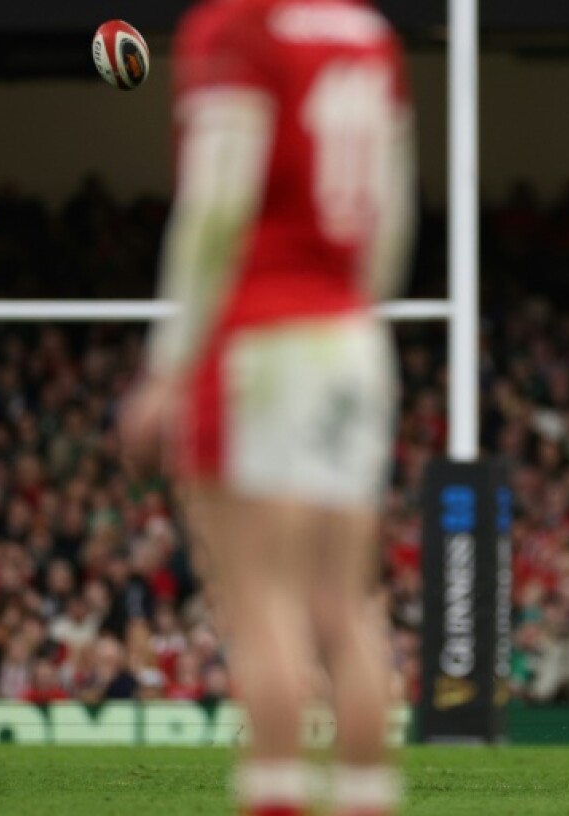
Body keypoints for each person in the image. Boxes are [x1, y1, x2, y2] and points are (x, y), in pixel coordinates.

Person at [119, 1, 416, 814]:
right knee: (346, 607)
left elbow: (216, 207)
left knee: (263, 607)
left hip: (260, 339)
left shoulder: (236, 27)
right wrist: (349, 315)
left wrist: (166, 365)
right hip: (353, 338)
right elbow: (391, 217)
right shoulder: (368, 34)